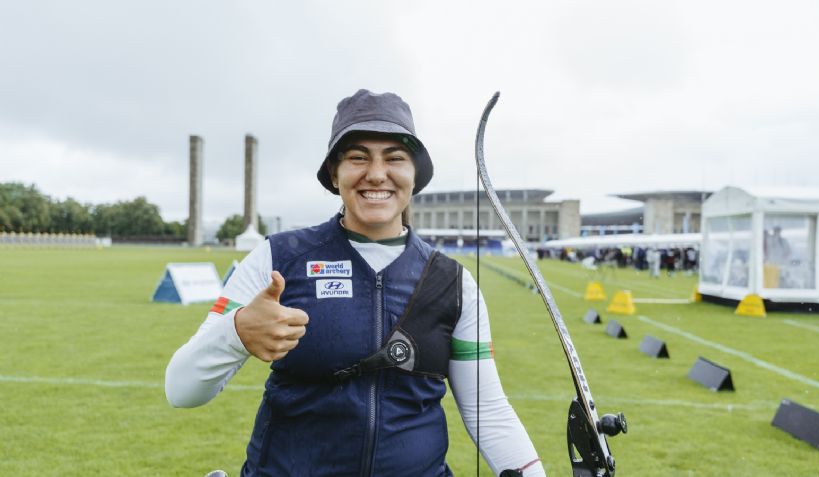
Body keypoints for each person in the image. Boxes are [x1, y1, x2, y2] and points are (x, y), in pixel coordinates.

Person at [165, 90, 544, 477]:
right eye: (358, 157)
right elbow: (181, 390)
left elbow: (488, 411)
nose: (376, 173)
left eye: (395, 157)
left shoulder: (454, 283)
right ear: (334, 172)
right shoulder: (277, 259)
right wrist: (237, 330)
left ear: (415, 174)